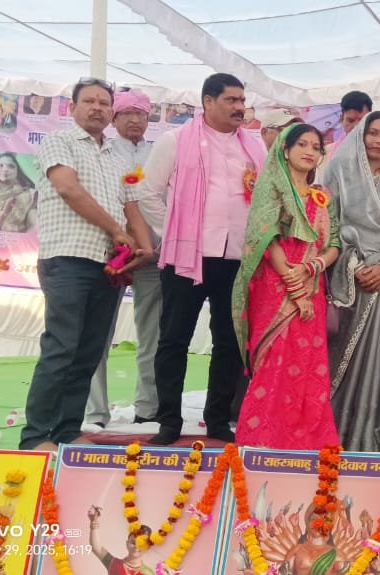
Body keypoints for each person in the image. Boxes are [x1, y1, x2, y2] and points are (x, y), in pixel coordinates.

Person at [18, 79, 154, 451]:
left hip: (108, 267)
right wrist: (117, 231)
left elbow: (131, 206)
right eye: (89, 101)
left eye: (104, 103)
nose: (97, 108)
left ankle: (66, 430)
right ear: (72, 107)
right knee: (61, 347)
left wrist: (145, 249)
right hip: (67, 258)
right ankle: (35, 436)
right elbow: (68, 189)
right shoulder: (59, 141)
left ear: (111, 111)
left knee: (88, 352)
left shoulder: (117, 156)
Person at [139, 73, 266, 445]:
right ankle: (168, 420)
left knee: (229, 341)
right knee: (174, 339)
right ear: (208, 101)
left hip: (236, 256)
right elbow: (147, 193)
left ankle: (217, 419)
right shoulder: (175, 140)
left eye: (242, 100)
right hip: (186, 256)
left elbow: (264, 197)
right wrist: (176, 230)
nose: (240, 107)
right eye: (231, 100)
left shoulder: (254, 146)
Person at [231, 124, 341, 450]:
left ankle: (306, 442)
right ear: (285, 149)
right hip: (276, 288)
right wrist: (295, 289)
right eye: (302, 144)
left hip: (311, 284)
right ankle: (262, 439)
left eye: (316, 147)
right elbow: (267, 238)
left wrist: (312, 268)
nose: (309, 151)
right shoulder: (271, 189)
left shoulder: (322, 196)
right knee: (274, 360)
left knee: (308, 365)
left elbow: (334, 243)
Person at [322, 110, 380, 453]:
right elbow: (327, 222)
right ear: (361, 136)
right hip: (343, 272)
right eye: (373, 133)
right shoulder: (340, 172)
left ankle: (371, 431)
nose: (379, 140)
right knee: (338, 348)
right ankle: (332, 428)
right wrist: (350, 261)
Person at [87, 88, 160, 430]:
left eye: (140, 114)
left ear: (148, 119)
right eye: (127, 114)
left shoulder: (159, 153)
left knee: (153, 333)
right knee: (98, 333)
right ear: (114, 119)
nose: (134, 120)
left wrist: (155, 244)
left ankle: (148, 408)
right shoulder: (102, 152)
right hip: (110, 252)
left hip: (153, 253)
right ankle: (94, 412)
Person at [87, 507, 154, 575]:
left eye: (141, 544)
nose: (136, 547)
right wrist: (94, 521)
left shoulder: (148, 573)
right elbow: (95, 547)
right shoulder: (113, 563)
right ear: (127, 543)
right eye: (133, 542)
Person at [325, 91, 371, 158]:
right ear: (341, 119)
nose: (356, 127)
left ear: (370, 121)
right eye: (350, 121)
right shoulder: (327, 152)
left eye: (362, 121)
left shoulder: (379, 151)